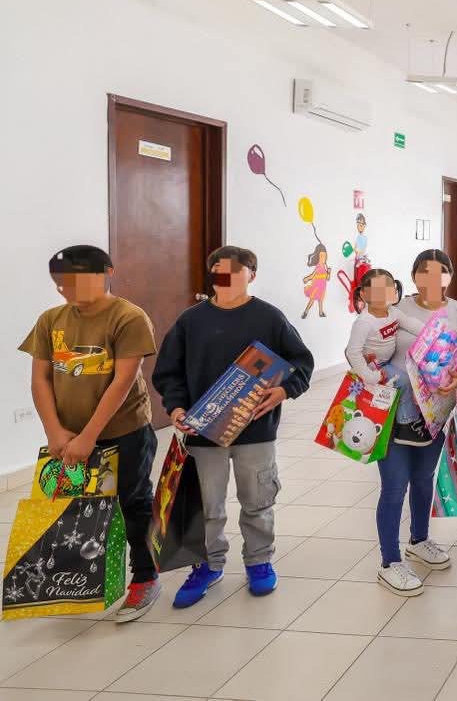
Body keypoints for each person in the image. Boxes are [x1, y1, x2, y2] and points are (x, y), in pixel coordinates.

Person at [152, 245, 315, 609]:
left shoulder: (269, 318)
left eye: (233, 272)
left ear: (251, 275)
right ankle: (208, 565)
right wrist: (176, 407)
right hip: (202, 433)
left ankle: (259, 561)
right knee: (206, 505)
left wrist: (284, 391)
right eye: (217, 272)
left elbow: (301, 362)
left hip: (255, 431)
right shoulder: (190, 321)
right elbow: (168, 372)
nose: (223, 279)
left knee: (257, 500)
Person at [19, 245, 162, 622]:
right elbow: (40, 379)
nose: (66, 289)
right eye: (60, 282)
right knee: (75, 508)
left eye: (75, 280)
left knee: (132, 504)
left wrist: (88, 437)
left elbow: (122, 381)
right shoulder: (51, 320)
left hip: (125, 431)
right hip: (66, 437)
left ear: (107, 273)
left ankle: (145, 577)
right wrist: (55, 432)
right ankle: (79, 582)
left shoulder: (128, 317)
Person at [370, 253, 457, 595]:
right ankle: (389, 562)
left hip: (436, 413)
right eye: (424, 272)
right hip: (395, 411)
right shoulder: (395, 309)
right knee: (394, 485)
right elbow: (372, 349)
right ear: (413, 276)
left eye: (440, 272)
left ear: (450, 277)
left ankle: (419, 540)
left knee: (422, 478)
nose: (432, 279)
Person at [301, 243, 329, 319]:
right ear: (318, 257)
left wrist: (329, 272)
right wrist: (306, 279)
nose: (323, 258)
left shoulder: (324, 267)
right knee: (312, 299)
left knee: (321, 300)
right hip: (317, 286)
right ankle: (306, 312)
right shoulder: (319, 266)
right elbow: (313, 275)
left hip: (323, 286)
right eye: (321, 256)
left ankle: (321, 312)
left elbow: (327, 278)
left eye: (325, 256)